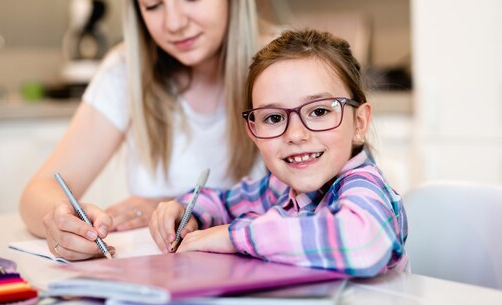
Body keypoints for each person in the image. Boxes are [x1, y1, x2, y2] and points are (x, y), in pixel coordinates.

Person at [19, 0, 263, 261]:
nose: (174, 22)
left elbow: (326, 201)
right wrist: (62, 222)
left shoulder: (285, 65)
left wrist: (177, 207)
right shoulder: (125, 70)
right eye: (152, 5)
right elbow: (36, 193)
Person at [149, 29, 409, 277]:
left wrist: (234, 236)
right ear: (253, 133)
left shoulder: (363, 184)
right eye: (273, 117)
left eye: (319, 111)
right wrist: (185, 211)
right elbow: (222, 202)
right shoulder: (277, 190)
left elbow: (362, 244)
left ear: (359, 123)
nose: (295, 134)